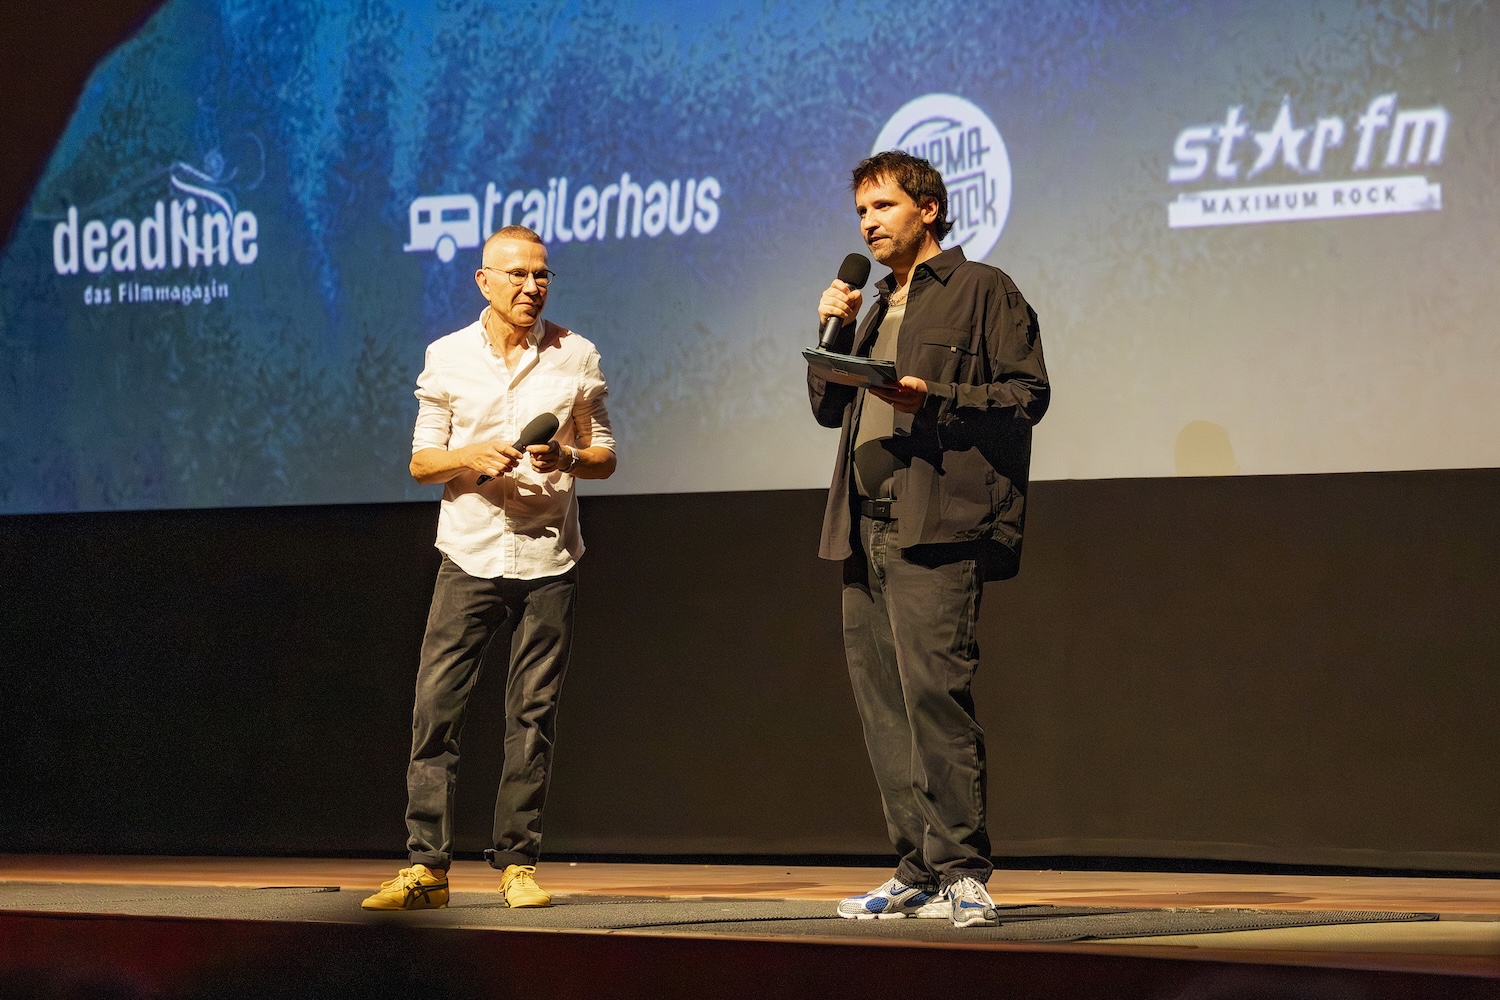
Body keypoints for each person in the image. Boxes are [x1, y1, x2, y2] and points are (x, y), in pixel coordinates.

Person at [808, 151, 1049, 928]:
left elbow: (1027, 395)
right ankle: (915, 870)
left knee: (936, 700)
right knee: (884, 709)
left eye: (882, 207)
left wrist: (933, 396)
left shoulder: (983, 289)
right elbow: (827, 407)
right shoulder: (874, 303)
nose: (869, 224)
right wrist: (832, 329)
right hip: (862, 527)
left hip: (936, 525)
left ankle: (963, 872)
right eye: (861, 212)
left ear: (929, 209)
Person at [363, 225, 616, 910]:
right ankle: (426, 869)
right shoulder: (447, 356)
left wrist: (567, 457)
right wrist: (469, 455)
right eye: (517, 275)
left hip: (548, 557)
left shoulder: (576, 354)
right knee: (435, 713)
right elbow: (422, 463)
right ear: (484, 280)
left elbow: (605, 455)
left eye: (542, 275)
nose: (532, 286)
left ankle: (518, 864)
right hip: (469, 555)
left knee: (531, 717)